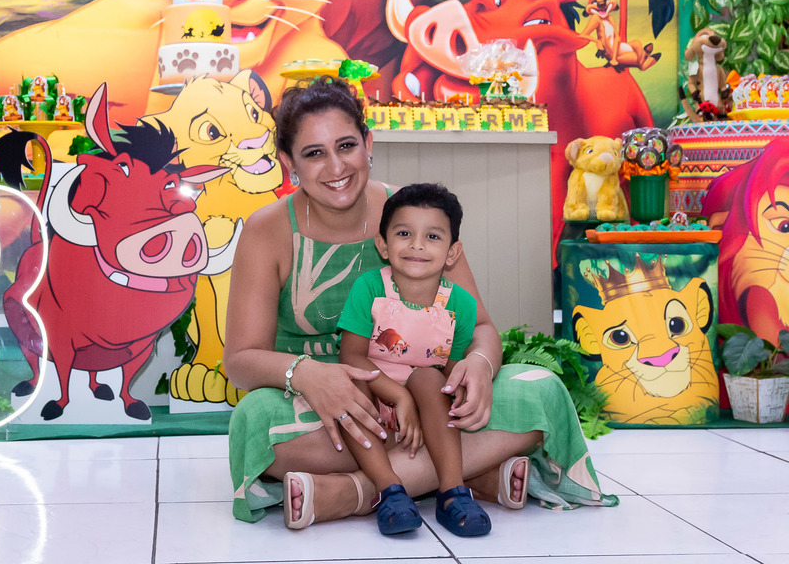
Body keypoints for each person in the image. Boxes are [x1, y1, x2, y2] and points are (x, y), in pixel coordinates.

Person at [224, 78, 616, 528]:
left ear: (368, 143)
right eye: (314, 153)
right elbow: (240, 360)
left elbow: (483, 327)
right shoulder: (267, 229)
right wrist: (308, 375)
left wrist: (481, 368)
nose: (336, 166)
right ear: (288, 162)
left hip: (429, 389)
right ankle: (468, 473)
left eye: (346, 145)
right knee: (255, 423)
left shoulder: (414, 217)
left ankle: (356, 492)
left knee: (541, 391)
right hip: (324, 405)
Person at [336, 183, 490, 538]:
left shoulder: (461, 304)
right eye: (404, 233)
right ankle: (390, 490)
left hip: (427, 398)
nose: (417, 245)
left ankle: (452, 493)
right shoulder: (369, 288)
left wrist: (462, 389)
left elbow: (451, 364)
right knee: (350, 382)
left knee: (429, 378)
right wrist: (397, 395)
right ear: (383, 245)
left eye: (433, 236)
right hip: (374, 388)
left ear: (452, 252)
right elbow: (352, 355)